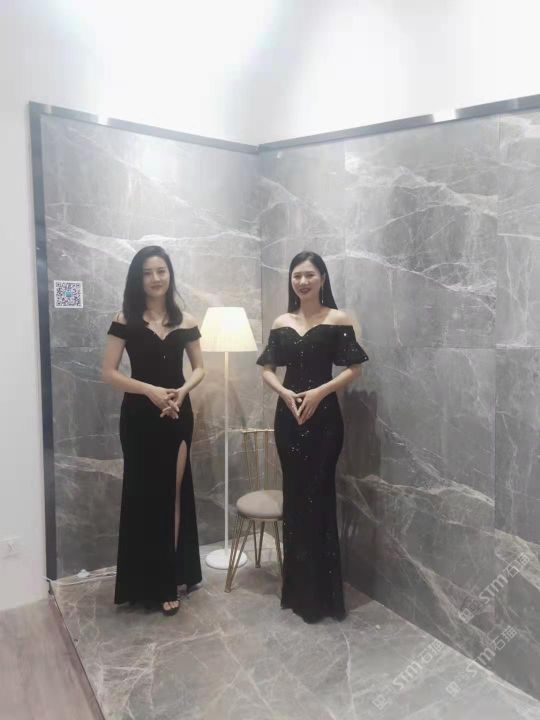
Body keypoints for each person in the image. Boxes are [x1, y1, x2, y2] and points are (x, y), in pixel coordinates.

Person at [256, 251, 369, 623]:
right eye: (296, 276)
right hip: (289, 417)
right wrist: (284, 393)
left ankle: (324, 596)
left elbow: (354, 368)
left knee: (319, 497)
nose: (302, 282)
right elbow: (267, 369)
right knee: (295, 499)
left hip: (324, 419)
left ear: (322, 278)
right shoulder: (281, 322)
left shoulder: (338, 319)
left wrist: (321, 391)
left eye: (309, 275)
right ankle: (298, 592)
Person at [102, 246, 206, 616]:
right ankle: (143, 580)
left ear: (169, 274)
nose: (156, 278)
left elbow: (199, 368)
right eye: (147, 272)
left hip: (177, 414)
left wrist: (182, 391)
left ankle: (169, 578)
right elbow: (109, 372)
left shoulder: (185, 320)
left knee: (171, 494)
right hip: (138, 417)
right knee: (143, 495)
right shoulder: (125, 319)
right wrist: (149, 390)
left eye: (161, 270)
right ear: (138, 278)